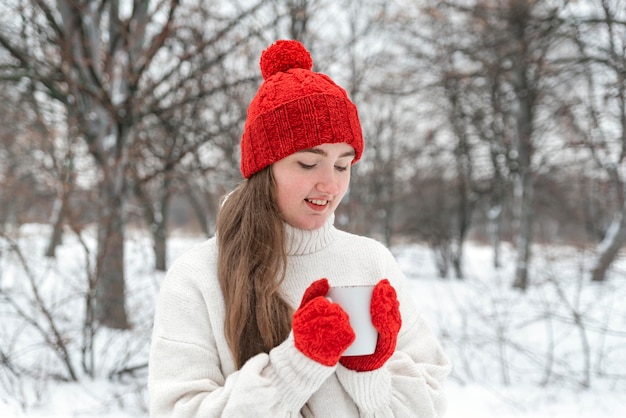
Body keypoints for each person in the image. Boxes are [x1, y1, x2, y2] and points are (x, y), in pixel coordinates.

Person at [148, 39, 450, 417]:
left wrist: (368, 372)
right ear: (264, 168)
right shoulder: (198, 277)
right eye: (309, 163)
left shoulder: (370, 262)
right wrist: (296, 364)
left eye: (343, 165)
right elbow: (181, 411)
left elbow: (432, 402)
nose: (331, 185)